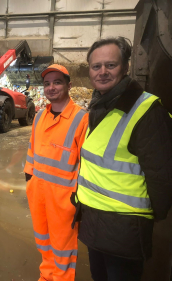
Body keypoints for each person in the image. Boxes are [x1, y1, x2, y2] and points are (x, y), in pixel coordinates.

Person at [74, 37, 172, 281]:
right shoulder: (99, 106)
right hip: (94, 221)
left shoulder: (146, 111)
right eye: (96, 66)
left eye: (111, 65)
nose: (102, 72)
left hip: (125, 230)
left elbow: (162, 176)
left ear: (126, 67)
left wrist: (151, 218)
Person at [24, 64, 88, 281]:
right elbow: (32, 150)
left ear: (69, 85)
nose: (51, 87)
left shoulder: (81, 119)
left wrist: (79, 198)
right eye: (47, 83)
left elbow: (87, 163)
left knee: (62, 249)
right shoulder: (39, 116)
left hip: (64, 198)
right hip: (38, 194)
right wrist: (29, 177)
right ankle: (46, 276)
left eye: (57, 82)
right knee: (44, 243)